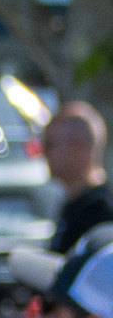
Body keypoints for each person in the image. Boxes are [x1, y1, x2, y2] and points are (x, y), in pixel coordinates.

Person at [51, 102, 109, 257]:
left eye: (50, 144)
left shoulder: (101, 214)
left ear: (76, 148)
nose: (43, 153)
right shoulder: (75, 206)